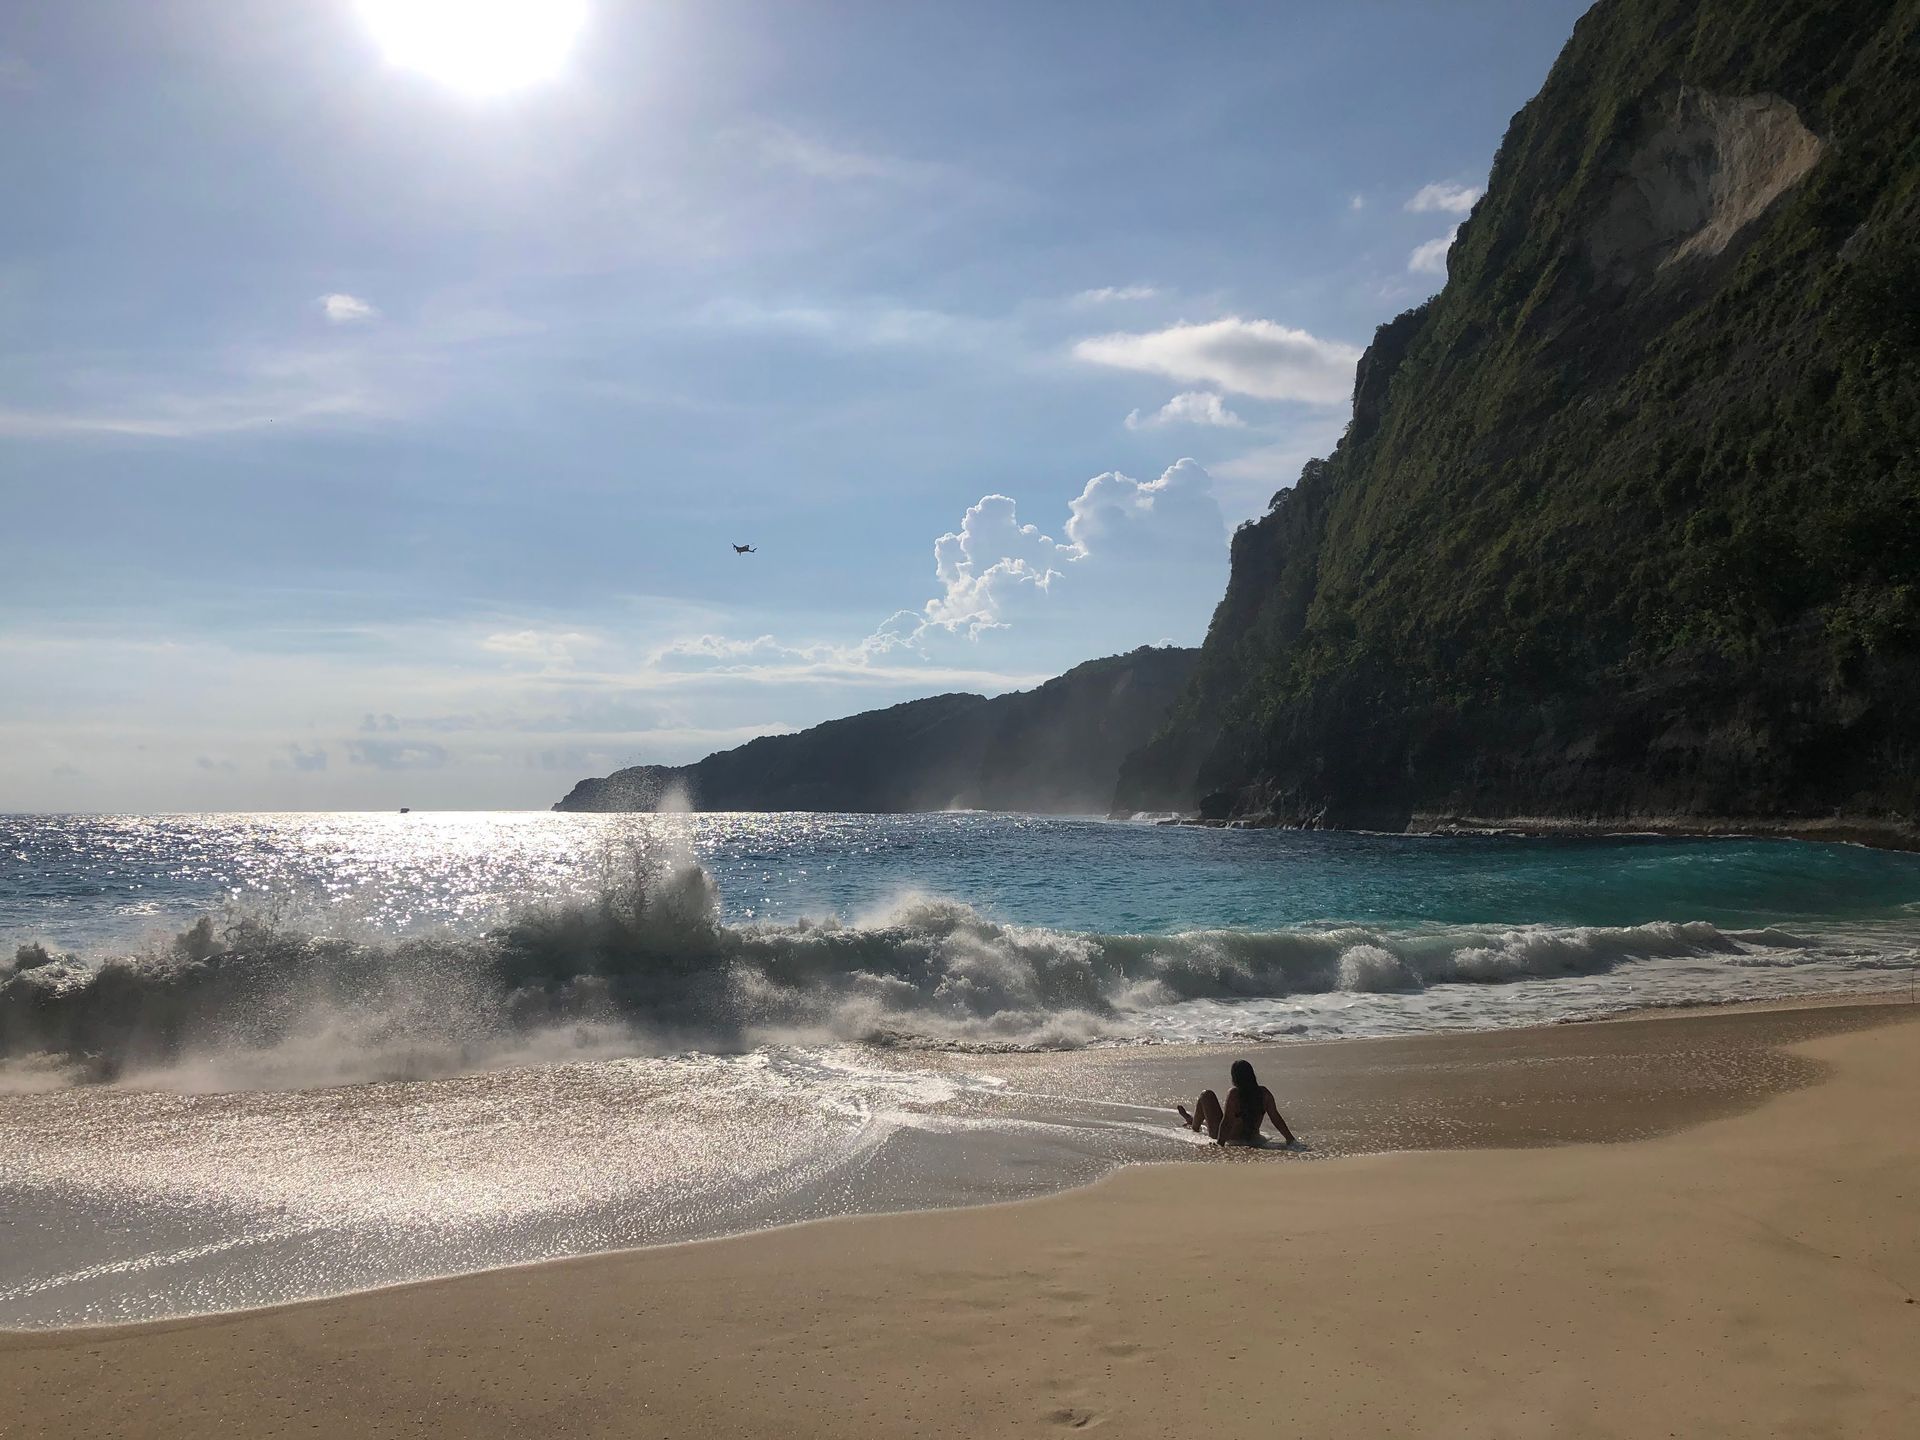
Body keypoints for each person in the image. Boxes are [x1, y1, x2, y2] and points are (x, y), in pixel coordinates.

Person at [1178, 1059, 1297, 1147]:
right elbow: (1276, 1118)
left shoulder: (1235, 1094)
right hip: (1251, 1136)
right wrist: (1290, 1139)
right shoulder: (1264, 1093)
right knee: (1209, 1103)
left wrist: (1220, 1143)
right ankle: (1192, 1120)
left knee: (1206, 1095)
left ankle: (1194, 1126)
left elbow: (1227, 1121)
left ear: (1235, 1078)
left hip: (1229, 1137)